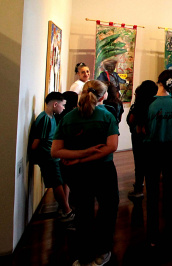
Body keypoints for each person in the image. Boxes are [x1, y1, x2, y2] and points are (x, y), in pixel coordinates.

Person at [51, 80, 119, 266]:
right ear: (103, 96)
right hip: (103, 170)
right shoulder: (107, 116)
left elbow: (56, 151)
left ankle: (83, 255)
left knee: (83, 211)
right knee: (107, 210)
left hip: (77, 172)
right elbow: (111, 147)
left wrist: (78, 158)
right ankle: (102, 251)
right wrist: (87, 154)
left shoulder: (69, 117)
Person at [144, 69, 172, 246]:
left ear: (159, 82)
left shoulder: (149, 103)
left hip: (152, 148)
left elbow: (141, 128)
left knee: (151, 191)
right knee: (170, 188)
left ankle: (152, 231)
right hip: (171, 148)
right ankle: (170, 228)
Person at [29, 92, 74, 222]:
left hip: (53, 156)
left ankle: (65, 207)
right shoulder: (44, 119)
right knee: (56, 183)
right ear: (55, 104)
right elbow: (36, 143)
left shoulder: (51, 117)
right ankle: (67, 211)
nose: (64, 108)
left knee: (61, 181)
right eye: (62, 105)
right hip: (48, 158)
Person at [126, 80, 157, 200]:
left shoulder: (138, 104)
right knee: (152, 163)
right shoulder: (155, 103)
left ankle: (139, 188)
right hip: (152, 137)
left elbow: (130, 120)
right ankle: (152, 189)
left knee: (139, 162)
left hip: (138, 137)